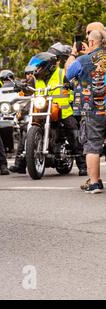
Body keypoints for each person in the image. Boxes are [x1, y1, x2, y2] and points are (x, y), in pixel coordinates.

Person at [66, 29, 106, 193]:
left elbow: (68, 74)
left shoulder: (84, 60)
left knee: (92, 145)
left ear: (91, 42)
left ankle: (94, 182)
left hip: (94, 109)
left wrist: (74, 54)